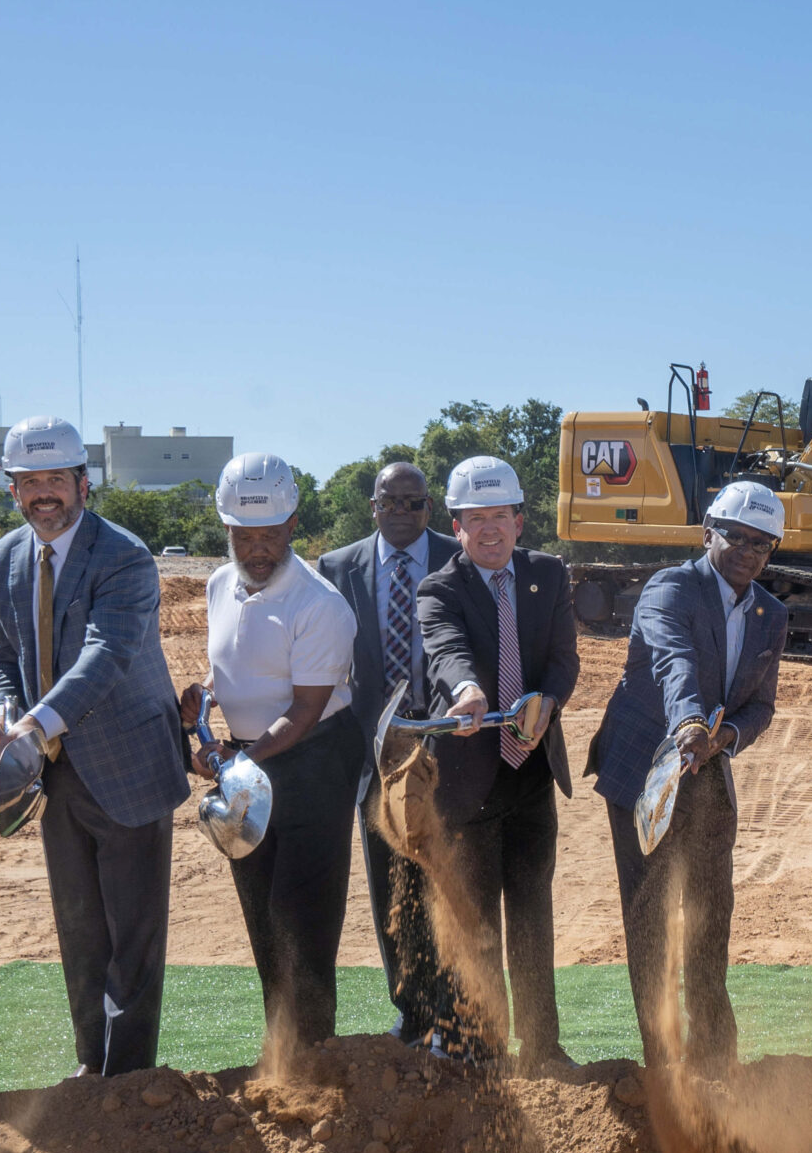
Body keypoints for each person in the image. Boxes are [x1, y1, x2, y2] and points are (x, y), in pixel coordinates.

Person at [0, 415, 190, 1077]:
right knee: (79, 931)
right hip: (55, 771)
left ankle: (128, 1083)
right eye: (29, 481)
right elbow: (2, 648)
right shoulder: (6, 556)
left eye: (56, 480)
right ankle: (89, 1069)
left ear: (83, 483)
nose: (44, 493)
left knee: (132, 939)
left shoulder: (123, 555)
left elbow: (106, 654)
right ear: (13, 489)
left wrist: (37, 723)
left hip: (127, 765)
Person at [589, 481, 790, 1072]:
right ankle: (661, 1061)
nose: (749, 551)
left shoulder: (770, 614)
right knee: (649, 916)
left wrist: (724, 738)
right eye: (738, 536)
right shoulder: (670, 588)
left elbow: (762, 706)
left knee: (710, 915)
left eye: (764, 543)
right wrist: (691, 725)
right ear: (709, 532)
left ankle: (714, 1059)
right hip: (646, 773)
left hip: (709, 772)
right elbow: (672, 660)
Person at [181, 453, 362, 1051]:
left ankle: (312, 1058)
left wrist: (239, 761)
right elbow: (231, 666)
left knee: (300, 919)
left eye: (270, 535)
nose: (257, 549)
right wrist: (205, 697)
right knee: (260, 911)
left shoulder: (320, 604)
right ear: (226, 530)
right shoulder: (217, 585)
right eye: (243, 536)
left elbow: (306, 710)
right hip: (249, 760)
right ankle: (280, 1046)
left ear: (292, 525)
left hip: (313, 764)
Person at [415, 455, 581, 1068]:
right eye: (474, 519)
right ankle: (482, 1049)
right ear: (456, 527)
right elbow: (447, 651)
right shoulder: (438, 589)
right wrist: (469, 692)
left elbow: (564, 660)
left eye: (500, 517)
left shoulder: (548, 575)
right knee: (476, 924)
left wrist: (548, 702)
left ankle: (542, 1048)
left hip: (531, 774)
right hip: (466, 784)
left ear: (519, 520)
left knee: (533, 918)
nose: (489, 530)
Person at [317, 460, 459, 1042]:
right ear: (372, 506)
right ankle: (412, 1009)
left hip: (449, 746)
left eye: (413, 502)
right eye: (389, 502)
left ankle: (459, 1012)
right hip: (374, 752)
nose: (401, 512)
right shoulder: (336, 567)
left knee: (449, 878)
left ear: (431, 508)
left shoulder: (459, 557)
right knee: (390, 882)